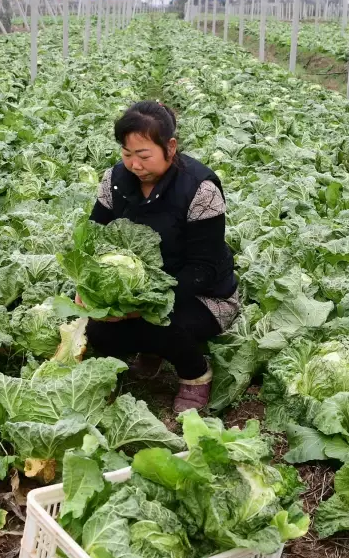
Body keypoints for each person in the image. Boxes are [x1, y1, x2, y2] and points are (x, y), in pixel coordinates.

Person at [85, 101, 240, 413]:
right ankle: (145, 352)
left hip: (202, 295)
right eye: (127, 155)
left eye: (144, 156)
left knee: (163, 326)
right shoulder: (114, 180)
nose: (134, 165)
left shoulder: (201, 189)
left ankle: (195, 373)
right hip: (138, 295)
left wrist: (140, 306)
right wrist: (86, 289)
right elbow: (93, 239)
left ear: (170, 147)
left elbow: (204, 269)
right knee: (97, 329)